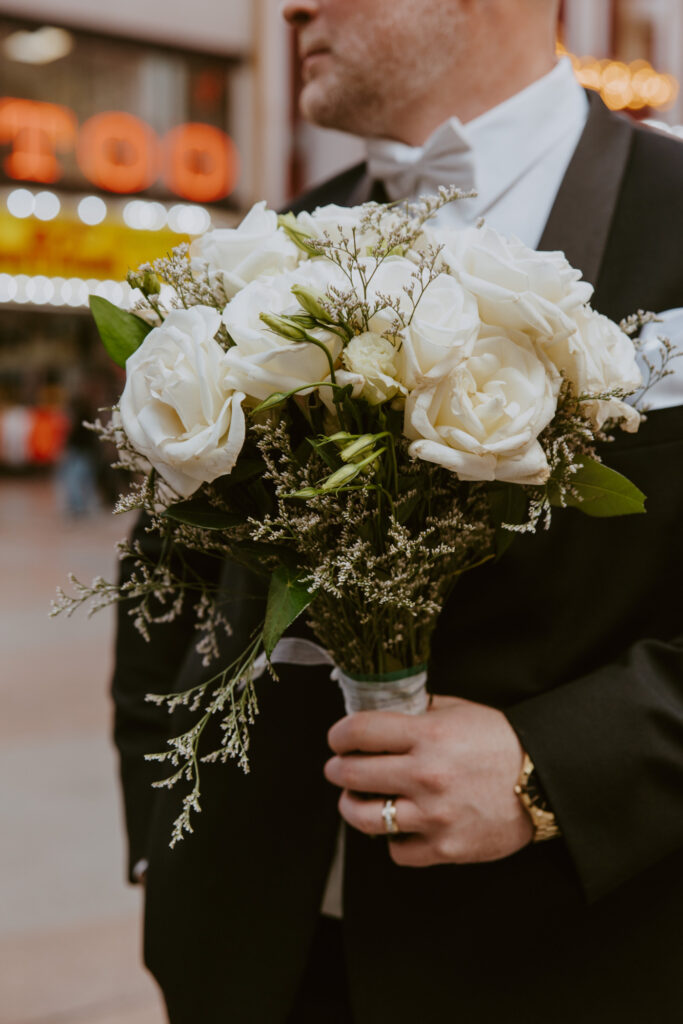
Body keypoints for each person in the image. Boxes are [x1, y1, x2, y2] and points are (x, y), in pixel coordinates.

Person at [111, 1, 683, 1021]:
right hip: (250, 963)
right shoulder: (263, 248)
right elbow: (162, 581)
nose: (289, 5)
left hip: (571, 960)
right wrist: (163, 841)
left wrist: (551, 766)